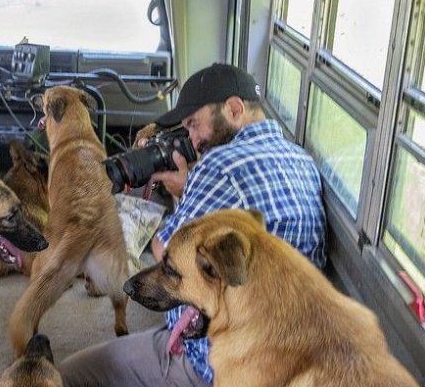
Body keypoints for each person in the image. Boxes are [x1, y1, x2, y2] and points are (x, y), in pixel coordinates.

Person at [59, 63, 326, 386]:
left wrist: (183, 193)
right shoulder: (303, 162)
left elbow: (166, 255)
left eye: (194, 125)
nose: (193, 139)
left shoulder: (220, 164)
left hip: (212, 364)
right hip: (286, 359)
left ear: (234, 109)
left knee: (67, 376)